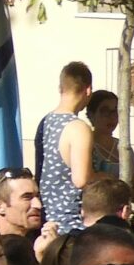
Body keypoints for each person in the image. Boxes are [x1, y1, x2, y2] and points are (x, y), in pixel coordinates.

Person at [41, 61, 98, 239]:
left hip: (49, 222)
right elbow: (81, 179)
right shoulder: (78, 128)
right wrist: (106, 177)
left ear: (61, 88)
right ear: (88, 90)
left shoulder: (46, 121)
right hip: (73, 225)